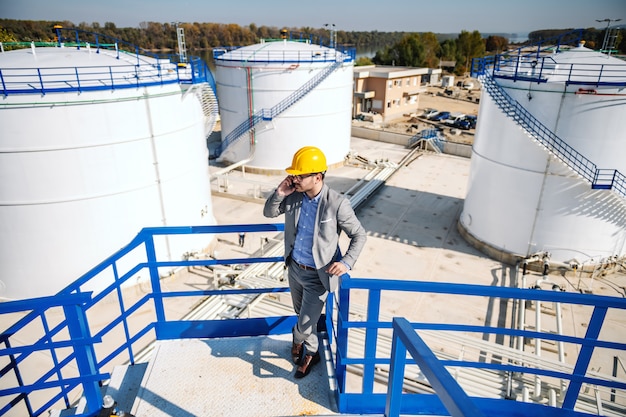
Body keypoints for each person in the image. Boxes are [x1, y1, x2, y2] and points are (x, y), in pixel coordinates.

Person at [263, 146, 367, 378]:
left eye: (300, 175)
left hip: (318, 275)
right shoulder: (294, 196)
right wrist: (280, 191)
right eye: (294, 175)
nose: (294, 179)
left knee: (305, 323)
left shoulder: (337, 203)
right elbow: (269, 213)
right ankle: (312, 350)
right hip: (294, 268)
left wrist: (347, 262)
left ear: (317, 177)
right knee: (300, 313)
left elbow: (359, 235)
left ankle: (301, 343)